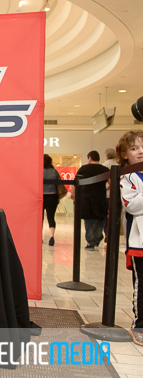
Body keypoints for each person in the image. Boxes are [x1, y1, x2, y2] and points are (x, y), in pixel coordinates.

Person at [115, 130, 143, 346]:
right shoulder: (127, 176)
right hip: (139, 241)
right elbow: (131, 206)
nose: (140, 152)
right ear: (125, 154)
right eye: (134, 148)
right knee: (141, 285)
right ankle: (139, 325)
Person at [70, 151, 109, 251]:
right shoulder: (105, 169)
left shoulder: (84, 168)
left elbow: (76, 181)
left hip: (86, 196)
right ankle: (98, 237)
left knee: (88, 219)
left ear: (90, 158)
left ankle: (90, 241)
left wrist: (73, 193)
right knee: (99, 218)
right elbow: (111, 182)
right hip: (100, 197)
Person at [43, 154, 61, 246]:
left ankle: (39, 237)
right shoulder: (54, 171)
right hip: (52, 197)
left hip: (40, 197)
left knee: (39, 218)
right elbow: (59, 183)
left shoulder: (39, 171)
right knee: (51, 217)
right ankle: (51, 236)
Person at [103, 148, 119, 238]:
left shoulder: (103, 167)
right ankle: (114, 233)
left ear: (106, 156)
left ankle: (106, 232)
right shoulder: (120, 166)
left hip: (105, 195)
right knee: (115, 215)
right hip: (116, 195)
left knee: (104, 215)